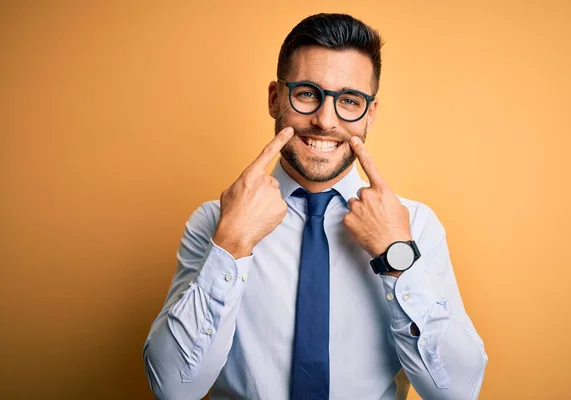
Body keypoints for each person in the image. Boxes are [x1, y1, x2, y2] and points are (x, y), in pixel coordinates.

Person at [143, 13, 487, 400]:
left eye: (350, 101)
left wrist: (395, 255)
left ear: (369, 114)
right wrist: (232, 244)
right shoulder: (214, 222)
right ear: (276, 98)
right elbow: (173, 388)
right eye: (307, 93)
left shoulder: (414, 226)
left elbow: (457, 391)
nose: (325, 120)